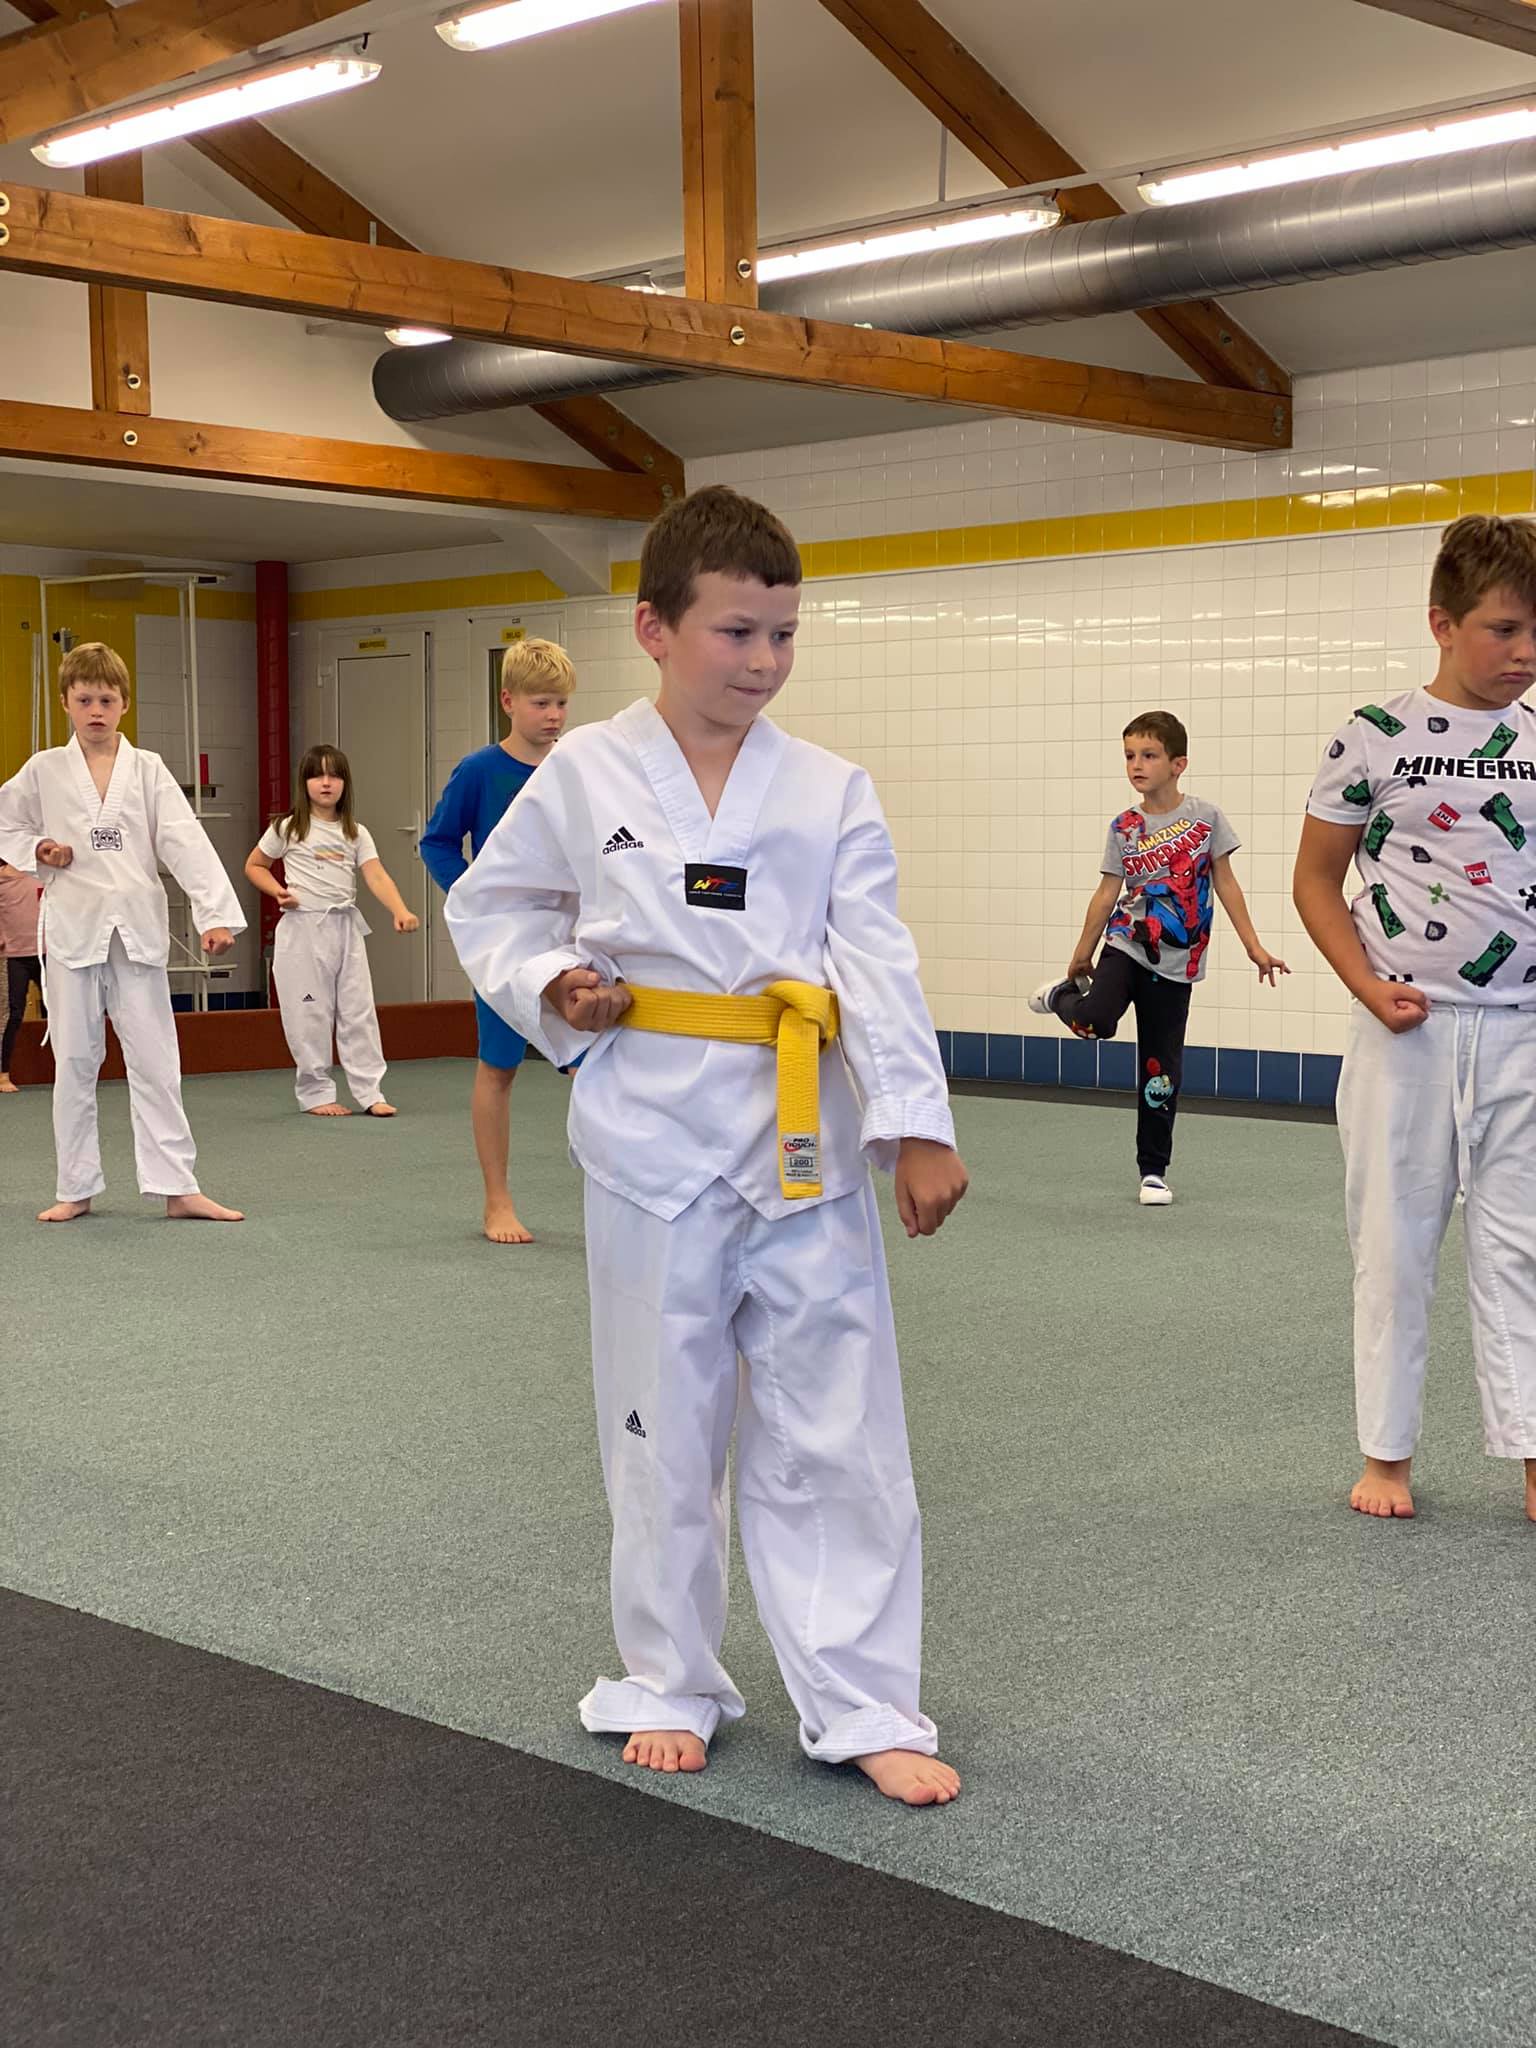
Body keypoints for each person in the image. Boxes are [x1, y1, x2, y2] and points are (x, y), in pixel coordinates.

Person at [445, 486, 968, 1808]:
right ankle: (667, 1677)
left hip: (804, 1137)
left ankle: (863, 1700)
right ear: (654, 629)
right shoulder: (586, 773)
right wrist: (558, 983)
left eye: (783, 634)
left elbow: (878, 961)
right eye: (737, 632)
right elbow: (495, 906)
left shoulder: (831, 788)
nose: (764, 661)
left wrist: (916, 1125)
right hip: (650, 1130)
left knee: (840, 1426)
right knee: (660, 1421)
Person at [1293, 513, 1536, 1526]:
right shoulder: (1374, 734)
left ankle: (1533, 1453)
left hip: (1524, 1027)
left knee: (1522, 1245)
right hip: (1408, 1031)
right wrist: (1363, 983)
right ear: (1442, 622)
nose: (1525, 652)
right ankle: (1386, 1453)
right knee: (1394, 1243)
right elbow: (1316, 878)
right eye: (1504, 629)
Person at [0, 641, 245, 1222]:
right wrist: (39, 848)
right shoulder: (44, 769)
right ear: (65, 702)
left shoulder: (148, 768)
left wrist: (213, 913)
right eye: (85, 699)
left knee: (156, 1059)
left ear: (125, 704)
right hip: (73, 929)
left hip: (135, 928)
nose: (96, 711)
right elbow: (6, 822)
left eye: (106, 700)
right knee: (74, 1061)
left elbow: (183, 840)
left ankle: (177, 1185)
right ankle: (75, 1187)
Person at [1029, 711, 1288, 1205]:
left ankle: (1153, 1171)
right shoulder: (1124, 827)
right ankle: (1061, 998)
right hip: (1127, 941)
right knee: (1095, 1020)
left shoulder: (1206, 819)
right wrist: (1082, 952)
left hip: (1178, 961)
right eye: (1130, 756)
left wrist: (1253, 946)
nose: (1136, 765)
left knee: (1160, 1067)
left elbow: (1226, 883)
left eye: (1148, 755)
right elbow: (1107, 892)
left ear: (1177, 764)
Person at [419, 638, 574, 1243]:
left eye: (561, 703)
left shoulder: (577, 767)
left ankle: (618, 1196)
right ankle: (497, 1201)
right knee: (500, 1065)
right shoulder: (481, 770)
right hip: (505, 941)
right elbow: (437, 842)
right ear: (508, 701)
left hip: (570, 932)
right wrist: (476, 902)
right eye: (541, 703)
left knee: (595, 1064)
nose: (554, 716)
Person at [245, 745, 419, 1118]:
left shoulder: (355, 832)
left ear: (345, 783)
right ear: (304, 782)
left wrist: (400, 909)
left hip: (345, 929)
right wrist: (278, 891)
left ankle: (370, 1091)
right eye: (317, 775)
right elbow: (255, 865)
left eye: (334, 775)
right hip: (302, 930)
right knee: (309, 1013)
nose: (326, 783)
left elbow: (375, 874)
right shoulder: (287, 828)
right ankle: (315, 1093)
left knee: (359, 1010)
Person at [0, 859, 44, 1092]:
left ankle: (73, 1069)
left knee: (61, 1011)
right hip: (14, 955)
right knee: (12, 1013)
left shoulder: (42, 873)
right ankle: (3, 1074)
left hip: (47, 952)